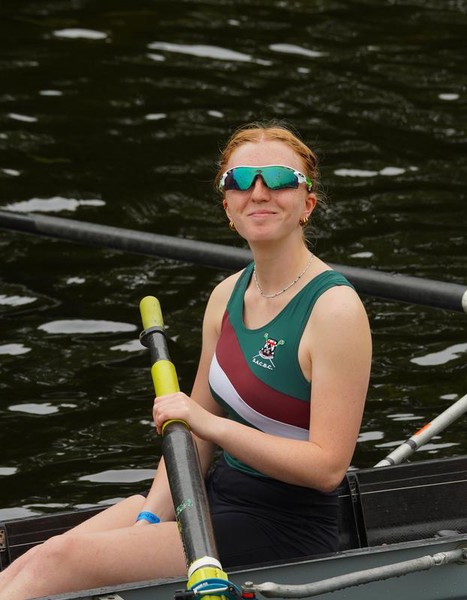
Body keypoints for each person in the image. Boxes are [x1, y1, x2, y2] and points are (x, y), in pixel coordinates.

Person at [0, 121, 372, 599]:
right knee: (35, 557)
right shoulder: (224, 297)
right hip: (210, 502)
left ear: (308, 204)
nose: (259, 192)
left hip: (284, 526)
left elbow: (327, 468)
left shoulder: (335, 309)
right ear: (228, 207)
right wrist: (150, 519)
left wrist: (209, 425)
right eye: (240, 181)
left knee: (58, 561)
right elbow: (191, 438)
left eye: (280, 179)